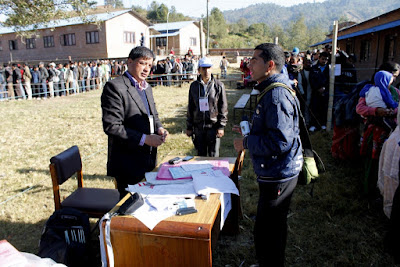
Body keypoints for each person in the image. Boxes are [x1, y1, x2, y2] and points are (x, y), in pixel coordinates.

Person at [233, 43, 302, 267]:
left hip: (279, 172)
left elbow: (280, 141)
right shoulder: (270, 89)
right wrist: (253, 131)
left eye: (254, 60)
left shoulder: (276, 95)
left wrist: (245, 142)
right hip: (275, 171)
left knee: (270, 228)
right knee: (269, 225)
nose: (249, 65)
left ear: (270, 65)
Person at [101, 46, 169, 199]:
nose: (146, 69)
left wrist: (160, 128)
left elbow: (153, 115)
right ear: (129, 62)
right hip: (128, 162)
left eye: (150, 65)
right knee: (130, 206)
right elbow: (112, 126)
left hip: (148, 158)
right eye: (143, 63)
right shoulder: (115, 87)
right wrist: (145, 139)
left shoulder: (147, 88)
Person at [186, 57, 228, 157]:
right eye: (203, 68)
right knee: (200, 155)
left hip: (213, 126)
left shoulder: (218, 85)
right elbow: (190, 107)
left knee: (214, 155)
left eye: (208, 68)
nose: (206, 71)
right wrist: (189, 126)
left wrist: (221, 126)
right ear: (199, 70)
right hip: (198, 127)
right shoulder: (194, 86)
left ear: (212, 68)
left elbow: (223, 107)